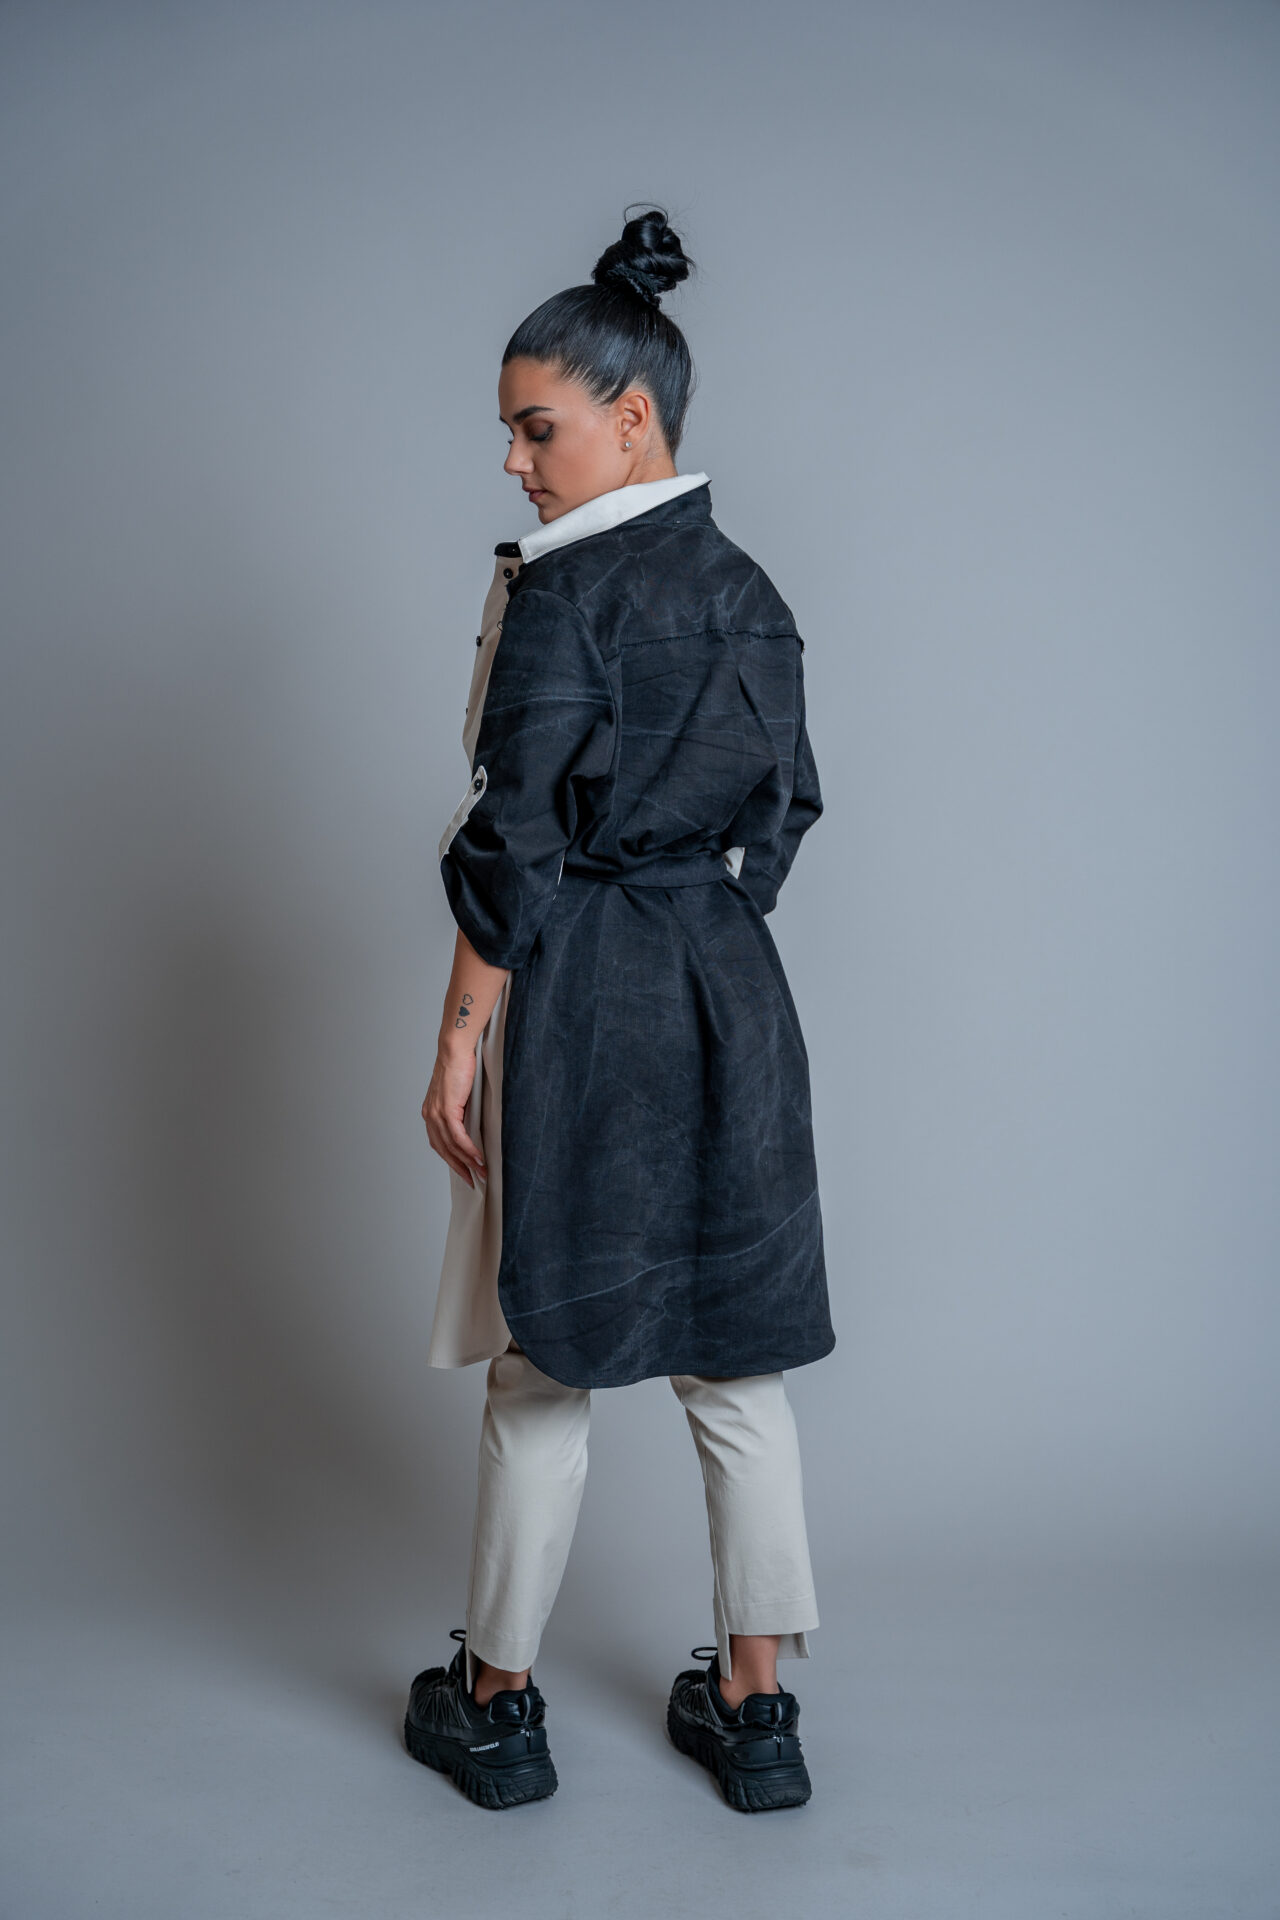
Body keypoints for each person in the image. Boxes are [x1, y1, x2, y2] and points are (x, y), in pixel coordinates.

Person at [404, 207, 836, 1814]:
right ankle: (759, 1713)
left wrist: (459, 1037)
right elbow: (789, 807)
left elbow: (512, 844)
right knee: (738, 1367)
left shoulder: (565, 594)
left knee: (543, 1364)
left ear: (632, 416)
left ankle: (495, 1703)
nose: (516, 462)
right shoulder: (751, 587)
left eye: (538, 427)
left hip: (584, 982)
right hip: (728, 977)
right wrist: (699, 915)